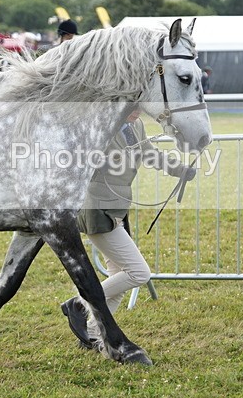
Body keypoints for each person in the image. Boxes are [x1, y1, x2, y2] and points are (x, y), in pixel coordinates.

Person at [60, 113, 196, 350]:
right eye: (133, 106)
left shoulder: (137, 125)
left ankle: (92, 334)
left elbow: (150, 154)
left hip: (116, 209)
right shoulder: (101, 123)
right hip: (97, 210)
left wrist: (180, 170)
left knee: (119, 281)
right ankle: (79, 304)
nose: (138, 112)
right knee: (138, 273)